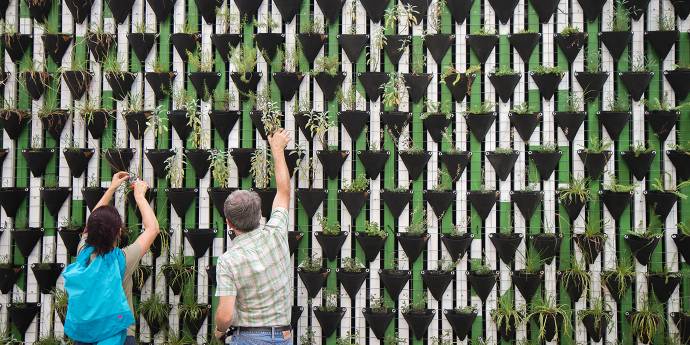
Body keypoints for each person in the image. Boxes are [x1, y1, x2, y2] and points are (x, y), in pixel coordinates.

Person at [214, 129, 293, 344]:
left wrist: (219, 330)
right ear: (260, 214)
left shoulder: (228, 261)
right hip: (284, 336)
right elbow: (284, 191)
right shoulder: (276, 233)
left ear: (228, 222)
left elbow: (225, 314)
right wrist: (277, 150)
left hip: (249, 338)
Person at [68, 172, 160, 345]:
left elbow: (92, 221)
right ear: (118, 232)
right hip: (119, 336)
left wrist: (111, 188)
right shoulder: (122, 260)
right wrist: (139, 196)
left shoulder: (83, 252)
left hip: (84, 335)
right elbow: (152, 229)